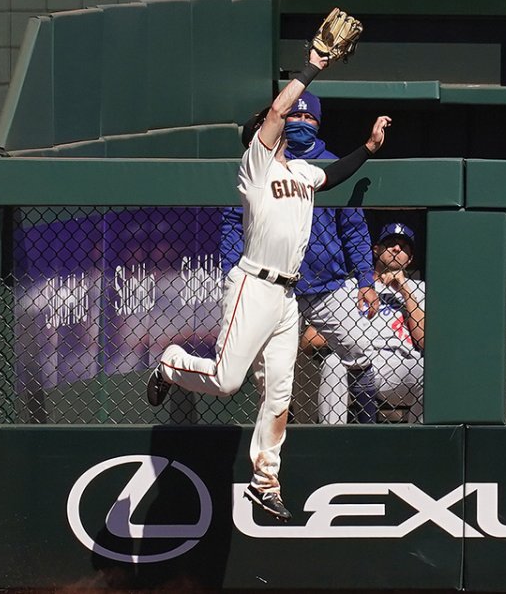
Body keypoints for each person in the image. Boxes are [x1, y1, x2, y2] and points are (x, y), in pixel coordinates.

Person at [146, 39, 392, 522]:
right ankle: (171, 364)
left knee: (279, 395)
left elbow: (335, 175)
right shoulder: (255, 166)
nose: (281, 124)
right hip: (254, 285)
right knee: (225, 380)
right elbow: (278, 110)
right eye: (272, 124)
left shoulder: (301, 171)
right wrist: (313, 67)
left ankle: (265, 482)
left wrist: (368, 148)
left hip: (287, 296)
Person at [219, 90, 378, 422]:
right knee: (271, 371)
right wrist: (233, 269)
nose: (301, 123)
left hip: (328, 286)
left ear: (318, 124)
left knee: (360, 353)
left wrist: (365, 279)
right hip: (275, 288)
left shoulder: (323, 164)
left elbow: (354, 228)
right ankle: (282, 430)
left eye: (309, 118)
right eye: (296, 116)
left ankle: (368, 426)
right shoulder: (259, 165)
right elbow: (234, 221)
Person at [317, 222, 425, 424]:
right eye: (390, 243)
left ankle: (416, 444)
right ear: (376, 250)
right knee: (332, 363)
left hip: (401, 364)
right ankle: (331, 441)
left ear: (410, 259)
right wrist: (352, 335)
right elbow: (310, 340)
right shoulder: (350, 287)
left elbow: (425, 340)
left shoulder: (419, 289)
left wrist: (404, 289)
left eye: (404, 247)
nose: (396, 248)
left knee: (429, 370)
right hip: (356, 358)